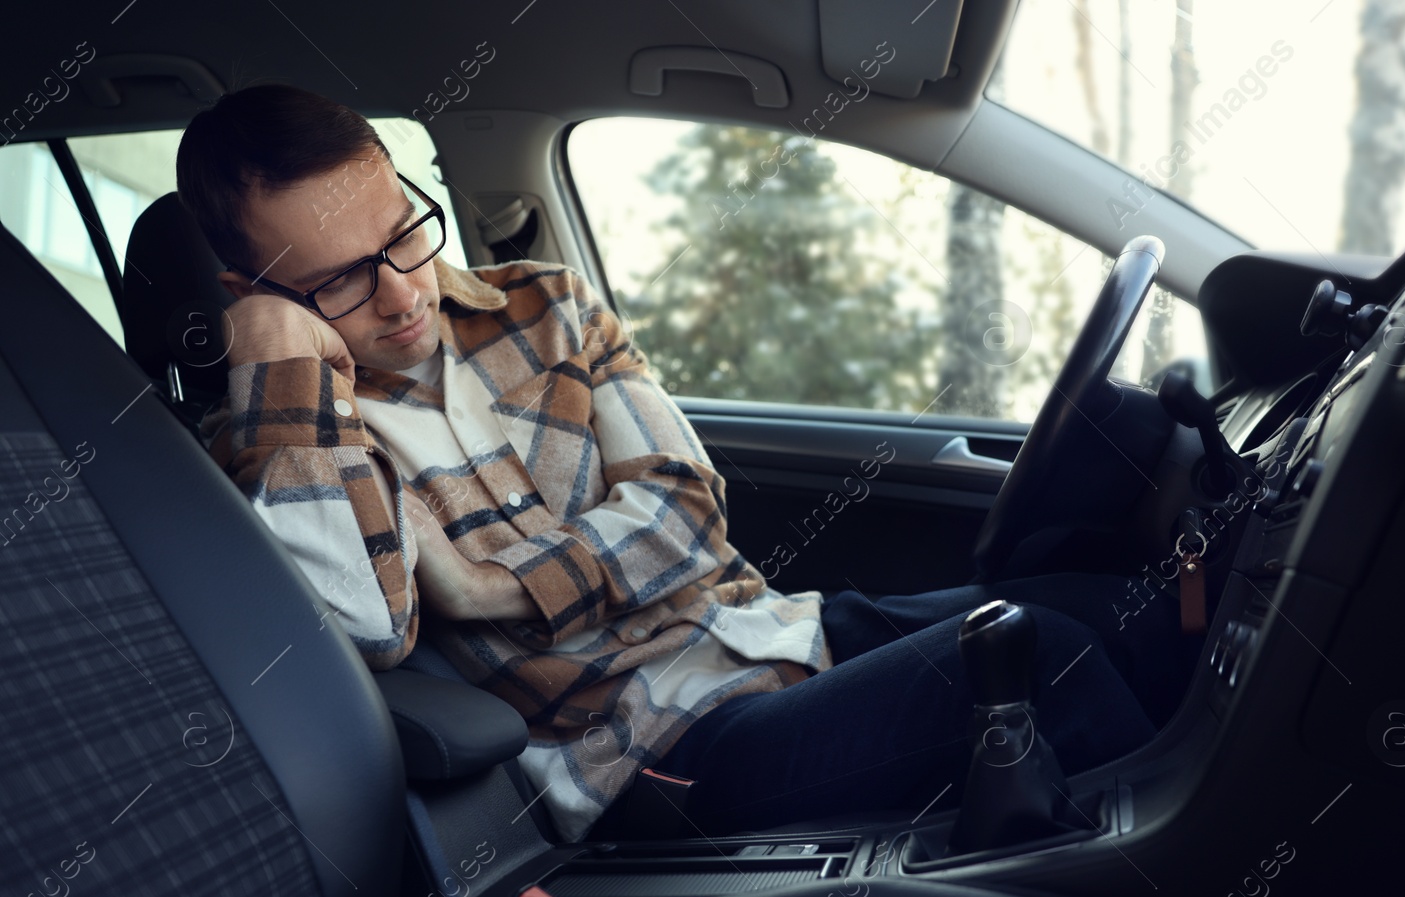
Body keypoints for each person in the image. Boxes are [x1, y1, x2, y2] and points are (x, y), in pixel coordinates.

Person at [179, 85, 1190, 843]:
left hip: (769, 630)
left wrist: (485, 586)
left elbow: (688, 507)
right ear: (248, 287)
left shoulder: (543, 303)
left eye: (402, 235)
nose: (401, 294)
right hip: (652, 752)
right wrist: (277, 361)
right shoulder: (277, 440)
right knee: (1046, 656)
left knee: (1129, 606)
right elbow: (367, 623)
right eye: (342, 283)